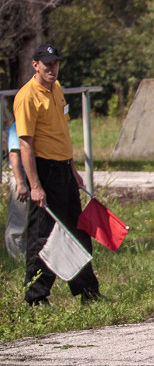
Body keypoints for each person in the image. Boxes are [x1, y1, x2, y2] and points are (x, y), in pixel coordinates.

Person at [14, 44, 101, 305]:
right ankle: (36, 297)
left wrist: (72, 169)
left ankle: (88, 292)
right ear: (35, 65)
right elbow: (25, 144)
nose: (52, 68)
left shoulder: (58, 88)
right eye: (47, 63)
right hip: (44, 171)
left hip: (63, 169)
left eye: (55, 63)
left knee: (78, 231)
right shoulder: (27, 96)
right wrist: (35, 185)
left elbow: (62, 134)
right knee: (43, 236)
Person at [5, 102, 29, 259]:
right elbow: (14, 154)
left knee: (31, 218)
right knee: (19, 219)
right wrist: (20, 183)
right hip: (21, 176)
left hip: (32, 176)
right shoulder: (17, 127)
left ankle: (28, 253)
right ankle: (16, 257)